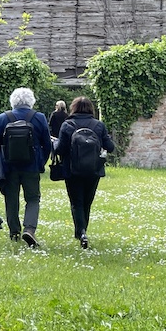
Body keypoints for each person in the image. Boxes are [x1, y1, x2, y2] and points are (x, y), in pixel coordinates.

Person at [0, 87, 52, 247]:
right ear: (31, 101)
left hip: (8, 166)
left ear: (13, 101)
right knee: (33, 198)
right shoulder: (39, 117)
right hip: (31, 166)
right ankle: (29, 229)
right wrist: (40, 162)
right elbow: (47, 144)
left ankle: (14, 232)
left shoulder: (3, 118)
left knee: (11, 199)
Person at [55, 95, 116, 249]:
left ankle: (80, 232)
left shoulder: (67, 125)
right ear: (91, 108)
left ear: (73, 108)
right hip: (93, 169)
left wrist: (55, 144)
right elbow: (110, 146)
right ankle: (83, 231)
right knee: (87, 202)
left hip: (72, 169)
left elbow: (60, 149)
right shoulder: (98, 125)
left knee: (76, 202)